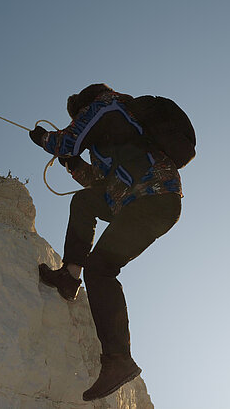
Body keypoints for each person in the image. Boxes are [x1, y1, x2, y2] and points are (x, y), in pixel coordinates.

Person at [29, 83, 183, 401]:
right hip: (145, 200)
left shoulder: (105, 106)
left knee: (100, 269)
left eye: (77, 116)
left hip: (151, 198)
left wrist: (45, 138)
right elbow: (103, 185)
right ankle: (69, 276)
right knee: (85, 203)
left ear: (82, 107)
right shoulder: (117, 132)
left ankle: (118, 360)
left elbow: (68, 140)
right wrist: (73, 165)